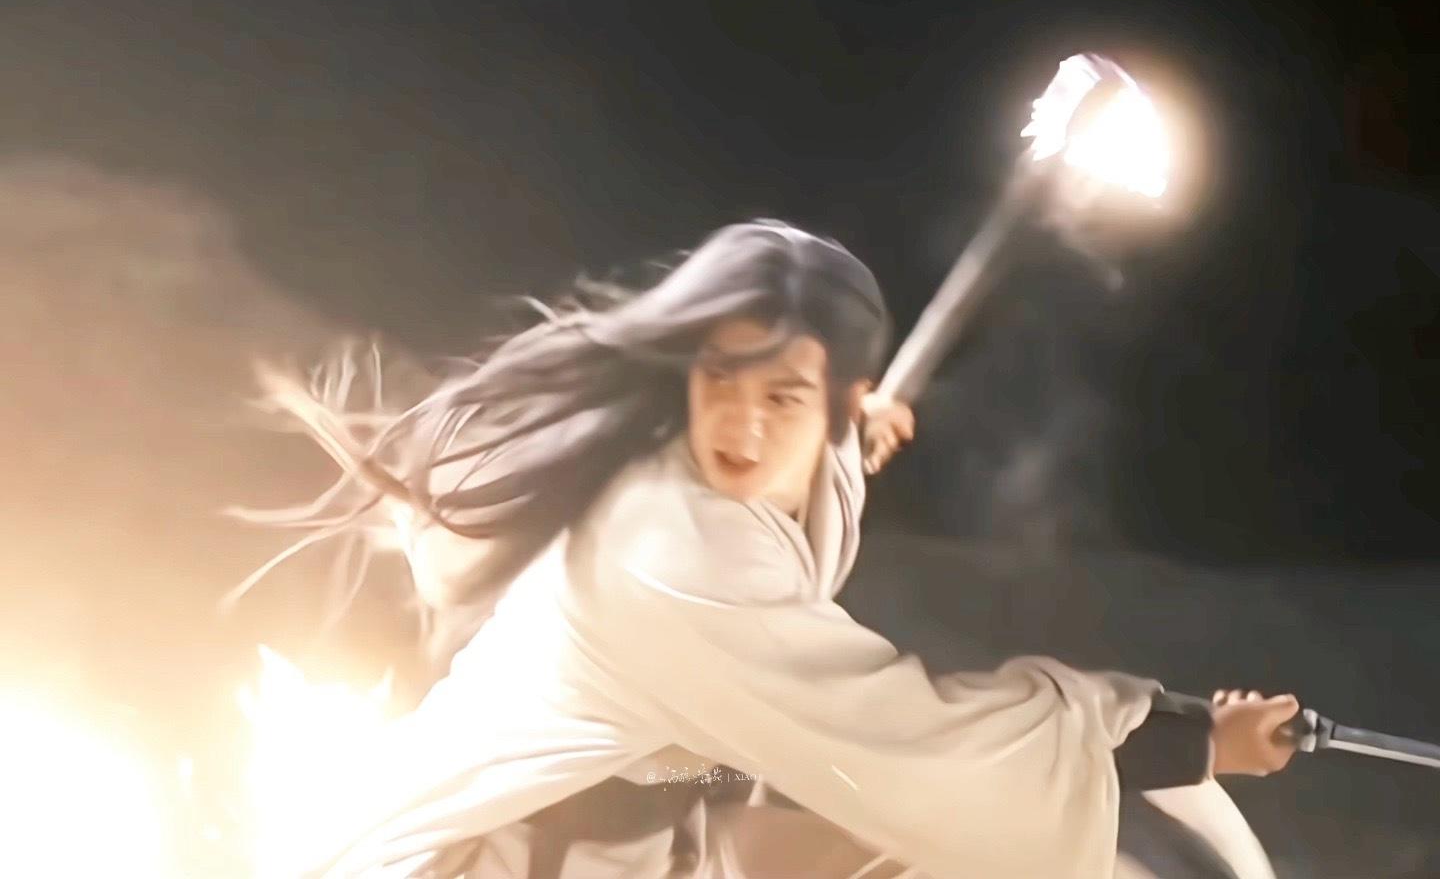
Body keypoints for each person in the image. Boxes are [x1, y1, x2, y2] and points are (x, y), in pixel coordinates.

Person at [244, 219, 1298, 878]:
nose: (742, 426)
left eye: (784, 396)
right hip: (466, 864)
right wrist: (1191, 740)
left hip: (634, 843)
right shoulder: (667, 554)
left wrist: (833, 447)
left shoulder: (713, 481)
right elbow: (916, 747)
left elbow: (778, 490)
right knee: (942, 834)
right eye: (723, 380)